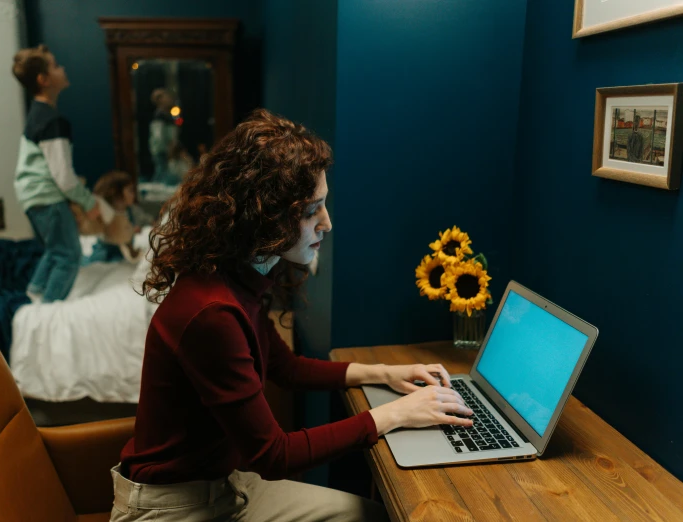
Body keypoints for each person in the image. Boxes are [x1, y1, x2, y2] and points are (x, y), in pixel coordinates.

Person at [111, 109, 473, 522]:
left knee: (370, 515)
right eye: (310, 211)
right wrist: (395, 414)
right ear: (262, 216)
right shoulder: (211, 311)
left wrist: (384, 373)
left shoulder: (238, 276)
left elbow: (286, 368)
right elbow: (273, 455)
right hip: (171, 508)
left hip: (223, 485)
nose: (327, 223)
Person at [12, 44, 100, 302]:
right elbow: (63, 176)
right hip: (47, 197)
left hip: (31, 197)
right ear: (44, 79)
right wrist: (89, 202)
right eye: (55, 65)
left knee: (54, 250)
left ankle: (35, 294)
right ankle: (49, 313)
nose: (62, 68)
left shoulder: (37, 115)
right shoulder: (52, 121)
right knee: (69, 255)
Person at [84, 170, 156, 265]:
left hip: (125, 251)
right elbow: (104, 233)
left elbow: (147, 220)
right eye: (130, 191)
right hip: (106, 251)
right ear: (115, 193)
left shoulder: (132, 210)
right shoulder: (106, 212)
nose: (133, 195)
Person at [148, 88, 179, 184]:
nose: (169, 99)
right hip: (162, 150)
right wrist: (167, 148)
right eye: (166, 97)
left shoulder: (166, 115)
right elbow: (159, 136)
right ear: (160, 100)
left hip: (165, 149)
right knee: (161, 172)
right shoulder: (160, 116)